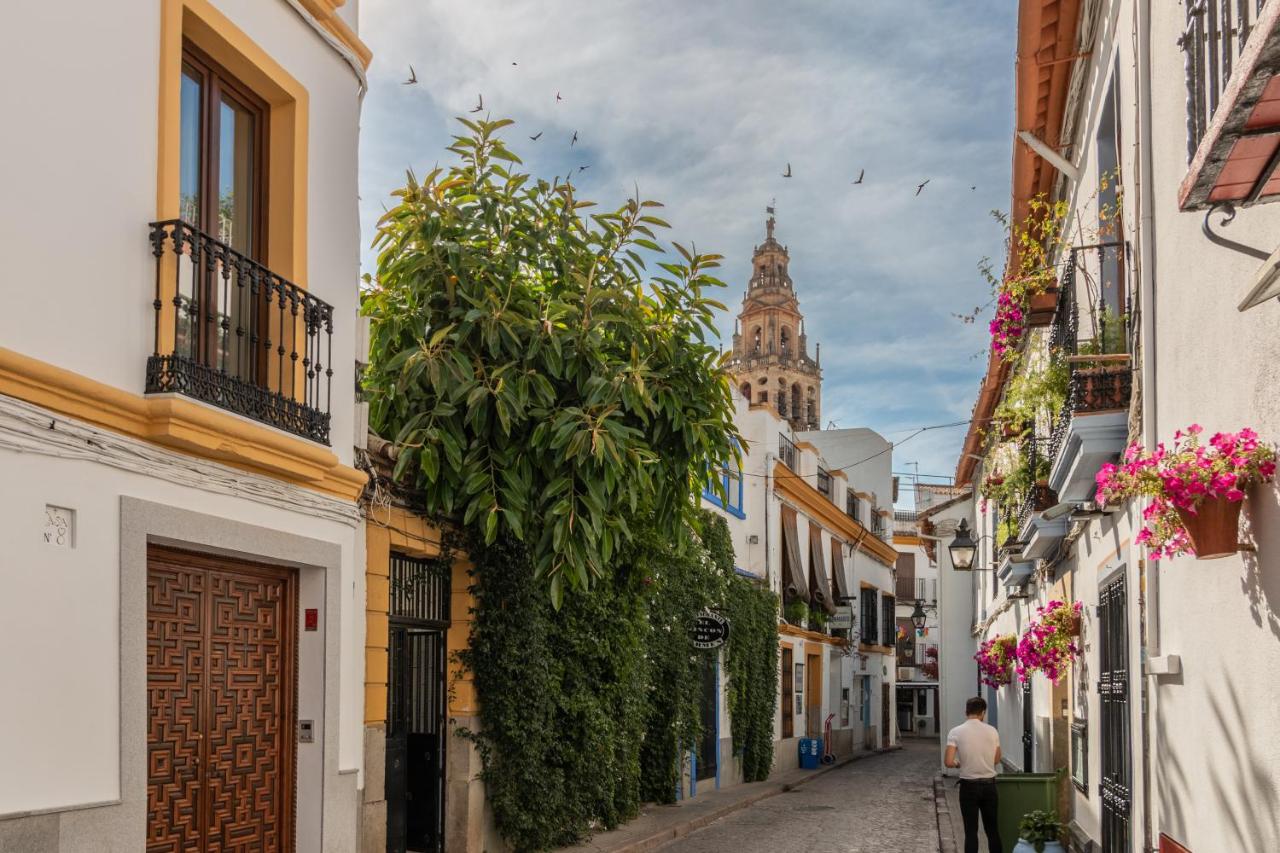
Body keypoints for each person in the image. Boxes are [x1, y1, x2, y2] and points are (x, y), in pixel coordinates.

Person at [945, 696, 1003, 853]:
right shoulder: (992, 731)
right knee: (992, 831)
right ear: (983, 712)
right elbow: (997, 759)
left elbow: (949, 762)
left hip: (968, 787)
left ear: (966, 712)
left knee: (971, 832)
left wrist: (959, 763)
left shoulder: (955, 732)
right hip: (989, 786)